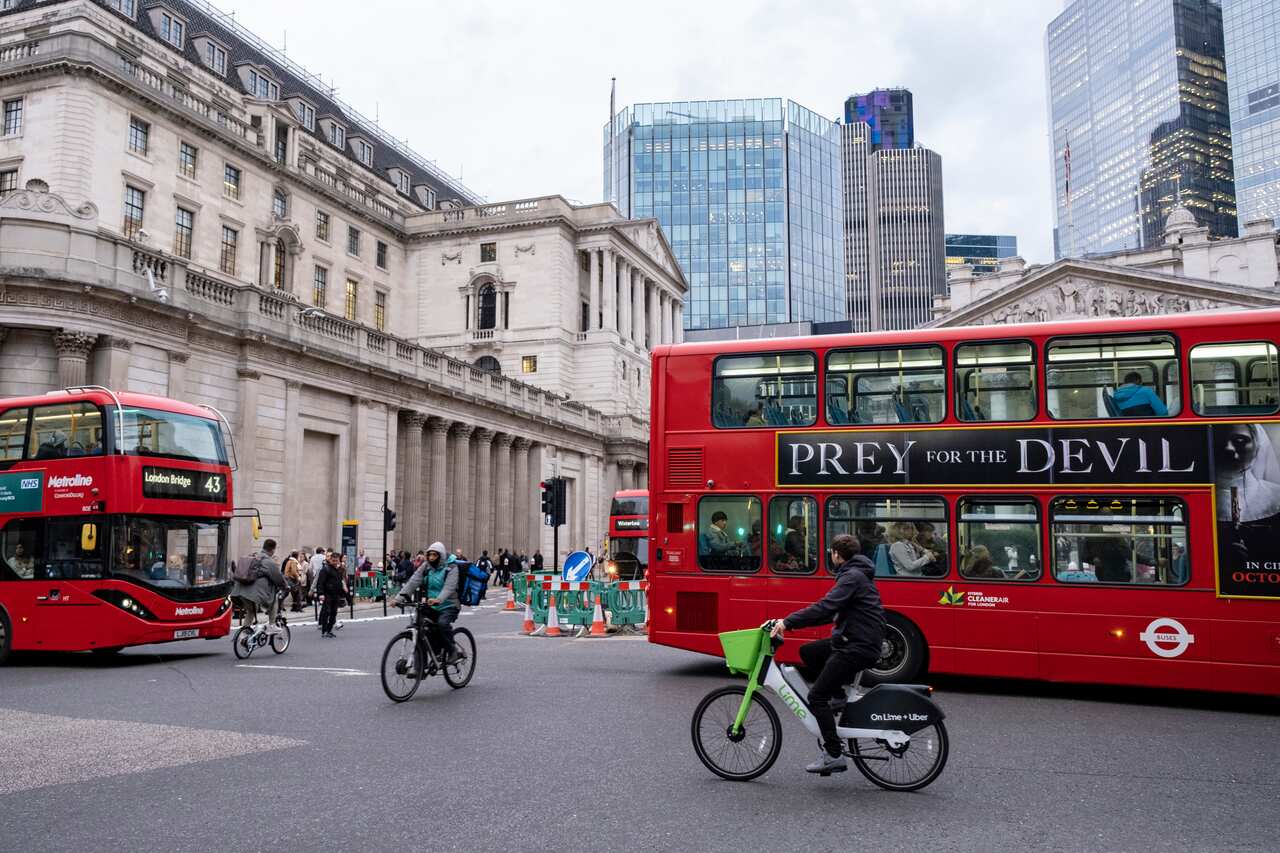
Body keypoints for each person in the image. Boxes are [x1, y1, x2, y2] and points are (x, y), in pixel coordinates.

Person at [764, 534, 885, 775]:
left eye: (832, 552)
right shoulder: (856, 574)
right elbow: (827, 612)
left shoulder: (851, 577)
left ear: (837, 555)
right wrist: (792, 622)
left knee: (817, 697)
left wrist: (787, 622)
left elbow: (826, 606)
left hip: (857, 646)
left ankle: (833, 754)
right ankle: (838, 696)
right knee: (809, 652)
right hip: (857, 640)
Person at [391, 542, 460, 661]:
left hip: (449, 605)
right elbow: (413, 582)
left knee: (442, 624)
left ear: (441, 556)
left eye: (435, 555)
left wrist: (439, 599)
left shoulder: (451, 568)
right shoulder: (426, 566)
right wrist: (398, 599)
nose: (431, 558)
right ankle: (421, 666)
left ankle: (452, 650)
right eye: (429, 555)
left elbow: (449, 587)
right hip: (431, 604)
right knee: (421, 627)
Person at [231, 539, 287, 634]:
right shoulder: (268, 561)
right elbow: (278, 578)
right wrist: (286, 586)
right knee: (274, 599)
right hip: (253, 594)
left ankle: (243, 635)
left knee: (251, 611)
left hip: (239, 591)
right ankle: (272, 625)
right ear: (273, 550)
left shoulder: (253, 556)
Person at [314, 550, 345, 638]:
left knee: (333, 613)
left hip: (336, 595)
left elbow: (340, 582)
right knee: (326, 612)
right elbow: (320, 583)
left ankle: (329, 630)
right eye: (333, 560)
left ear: (339, 560)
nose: (335, 562)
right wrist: (321, 594)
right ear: (330, 560)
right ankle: (324, 631)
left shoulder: (338, 570)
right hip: (327, 594)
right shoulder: (325, 569)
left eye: (337, 560)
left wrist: (343, 591)